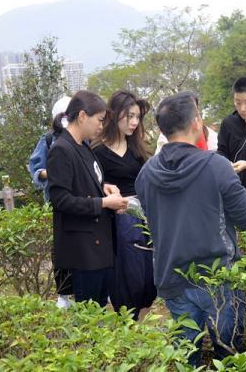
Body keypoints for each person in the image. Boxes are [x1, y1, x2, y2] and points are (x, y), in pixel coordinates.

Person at [135, 91, 246, 366]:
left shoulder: (146, 175)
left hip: (172, 279)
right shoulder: (217, 167)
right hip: (218, 280)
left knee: (185, 358)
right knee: (228, 357)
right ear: (196, 123)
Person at [47, 90, 129, 307]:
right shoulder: (61, 150)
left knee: (99, 311)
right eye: (99, 120)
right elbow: (60, 200)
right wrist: (103, 202)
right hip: (82, 251)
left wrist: (105, 188)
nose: (101, 126)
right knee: (89, 318)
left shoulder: (83, 147)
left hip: (98, 247)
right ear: (83, 116)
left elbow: (84, 184)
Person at [92, 90, 156, 320]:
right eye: (129, 116)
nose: (134, 122)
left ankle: (141, 324)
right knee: (126, 278)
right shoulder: (97, 150)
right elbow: (93, 185)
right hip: (115, 223)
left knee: (148, 278)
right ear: (115, 115)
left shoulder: (138, 148)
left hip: (141, 219)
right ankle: (128, 326)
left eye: (137, 117)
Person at [28, 95, 73, 309]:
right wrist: (51, 173)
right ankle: (64, 292)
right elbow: (35, 169)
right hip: (60, 201)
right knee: (61, 248)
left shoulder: (86, 139)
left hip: (84, 199)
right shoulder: (47, 140)